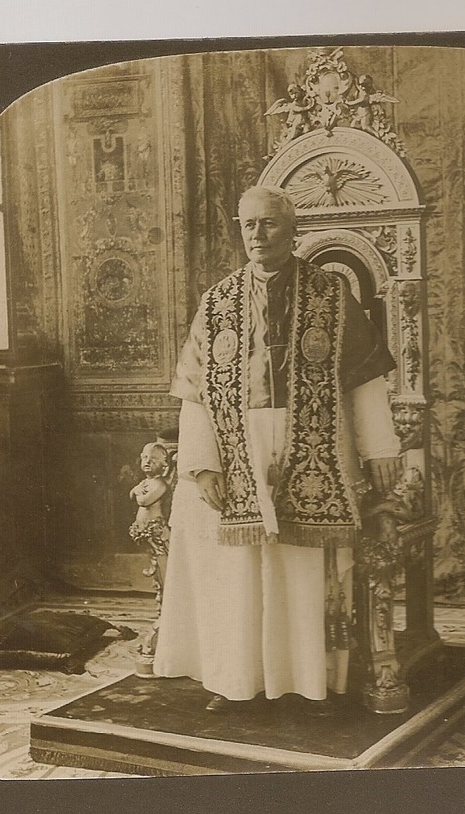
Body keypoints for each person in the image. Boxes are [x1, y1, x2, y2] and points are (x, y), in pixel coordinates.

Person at [152, 185, 404, 714]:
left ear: (293, 230)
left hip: (314, 441)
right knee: (235, 571)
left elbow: (364, 380)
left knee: (300, 568)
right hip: (234, 444)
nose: (257, 235)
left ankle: (307, 681)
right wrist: (201, 466)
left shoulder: (332, 295)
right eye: (248, 225)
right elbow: (196, 395)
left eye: (268, 224)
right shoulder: (217, 301)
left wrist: (380, 446)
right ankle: (234, 678)